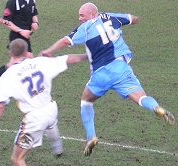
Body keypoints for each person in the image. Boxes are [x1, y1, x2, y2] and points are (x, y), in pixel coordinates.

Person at [40, 2, 175, 156]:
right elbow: (132, 18)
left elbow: (66, 41)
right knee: (141, 97)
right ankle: (157, 108)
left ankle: (91, 136)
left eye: (81, 15)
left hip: (100, 74)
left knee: (86, 100)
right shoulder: (111, 17)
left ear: (91, 14)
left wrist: (48, 50)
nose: (79, 19)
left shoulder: (84, 28)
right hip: (121, 69)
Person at [0, 38, 88, 166]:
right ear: (26, 51)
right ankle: (57, 147)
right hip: (51, 108)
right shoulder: (41, 62)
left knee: (17, 159)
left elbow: (0, 106)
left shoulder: (7, 76)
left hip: (33, 119)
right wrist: (89, 55)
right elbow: (69, 58)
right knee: (50, 123)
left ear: (10, 53)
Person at [0, 0, 39, 103]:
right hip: (10, 36)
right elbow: (8, 19)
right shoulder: (13, 2)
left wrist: (35, 22)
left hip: (23, 36)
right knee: (27, 61)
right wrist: (20, 30)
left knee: (14, 64)